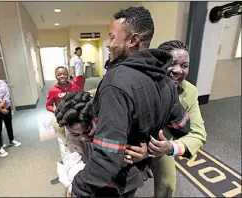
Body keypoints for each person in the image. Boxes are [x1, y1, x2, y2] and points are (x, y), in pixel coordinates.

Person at [71, 7, 191, 197]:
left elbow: (107, 157)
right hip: (135, 177)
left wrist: (77, 188)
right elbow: (182, 125)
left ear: (133, 40)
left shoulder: (115, 83)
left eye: (112, 37)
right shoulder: (166, 80)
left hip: (110, 184)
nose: (108, 45)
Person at [124, 40, 207, 197]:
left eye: (184, 66)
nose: (178, 70)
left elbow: (199, 134)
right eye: (172, 63)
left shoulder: (190, 92)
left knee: (168, 185)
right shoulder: (140, 83)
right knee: (123, 184)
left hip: (161, 146)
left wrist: (171, 147)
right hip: (133, 143)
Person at [46, 66, 80, 162]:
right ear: (56, 76)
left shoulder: (74, 86)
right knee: (63, 140)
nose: (62, 76)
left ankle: (78, 156)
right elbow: (48, 105)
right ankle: (67, 160)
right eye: (59, 74)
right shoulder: (53, 90)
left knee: (76, 137)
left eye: (64, 74)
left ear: (67, 74)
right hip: (61, 119)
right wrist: (55, 109)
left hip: (74, 117)